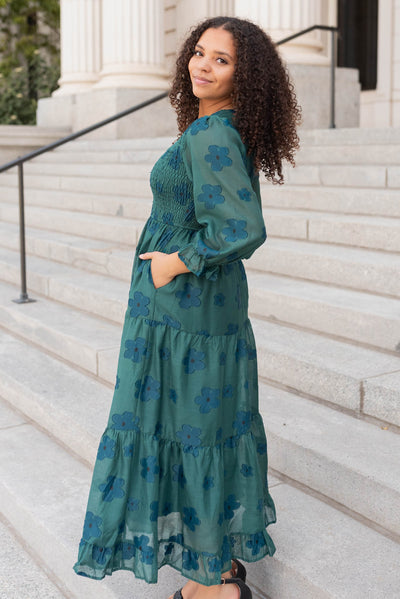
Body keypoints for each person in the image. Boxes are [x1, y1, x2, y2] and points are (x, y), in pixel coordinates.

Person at [73, 15, 301, 599]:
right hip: (193, 311)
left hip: (188, 308)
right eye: (200, 53)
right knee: (204, 428)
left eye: (221, 60)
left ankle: (217, 584)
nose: (202, 65)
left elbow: (242, 228)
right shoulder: (213, 126)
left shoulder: (213, 133)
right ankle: (218, 568)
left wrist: (176, 262)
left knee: (192, 430)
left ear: (243, 74)